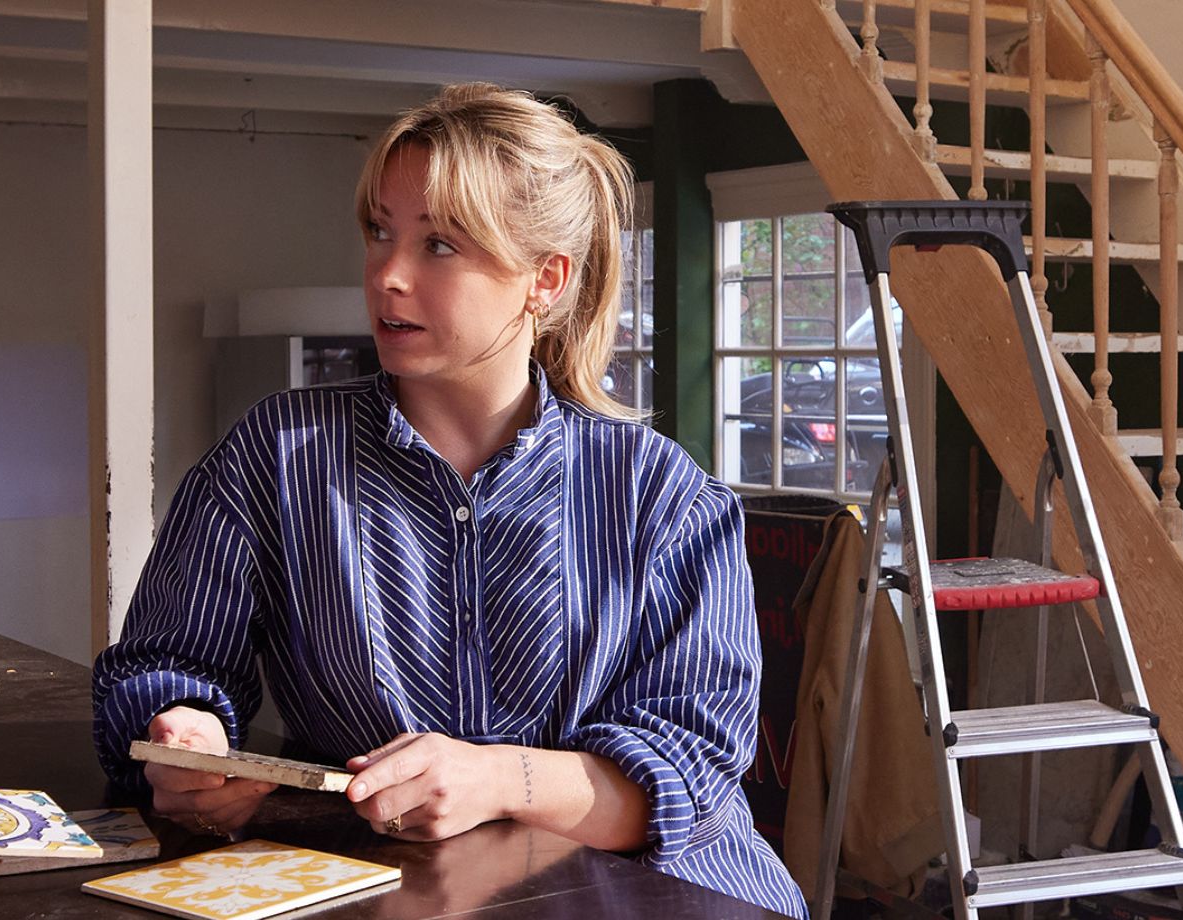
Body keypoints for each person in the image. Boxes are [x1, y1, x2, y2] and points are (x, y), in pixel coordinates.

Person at [89, 83, 805, 915]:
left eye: (438, 245)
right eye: (379, 232)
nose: (387, 275)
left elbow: (685, 781)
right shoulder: (275, 456)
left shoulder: (664, 495)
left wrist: (496, 779)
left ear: (544, 279)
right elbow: (163, 664)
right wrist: (189, 736)